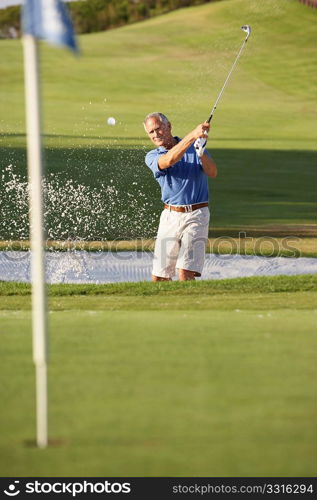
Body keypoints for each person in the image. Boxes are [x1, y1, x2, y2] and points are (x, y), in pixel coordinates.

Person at [144, 112, 217, 281]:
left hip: (196, 215)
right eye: (151, 132)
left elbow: (213, 172)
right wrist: (192, 136)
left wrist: (201, 153)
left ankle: (189, 306)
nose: (156, 135)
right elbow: (168, 160)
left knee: (185, 272)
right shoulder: (152, 156)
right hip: (170, 216)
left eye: (158, 129)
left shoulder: (195, 147)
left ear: (168, 126)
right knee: (159, 277)